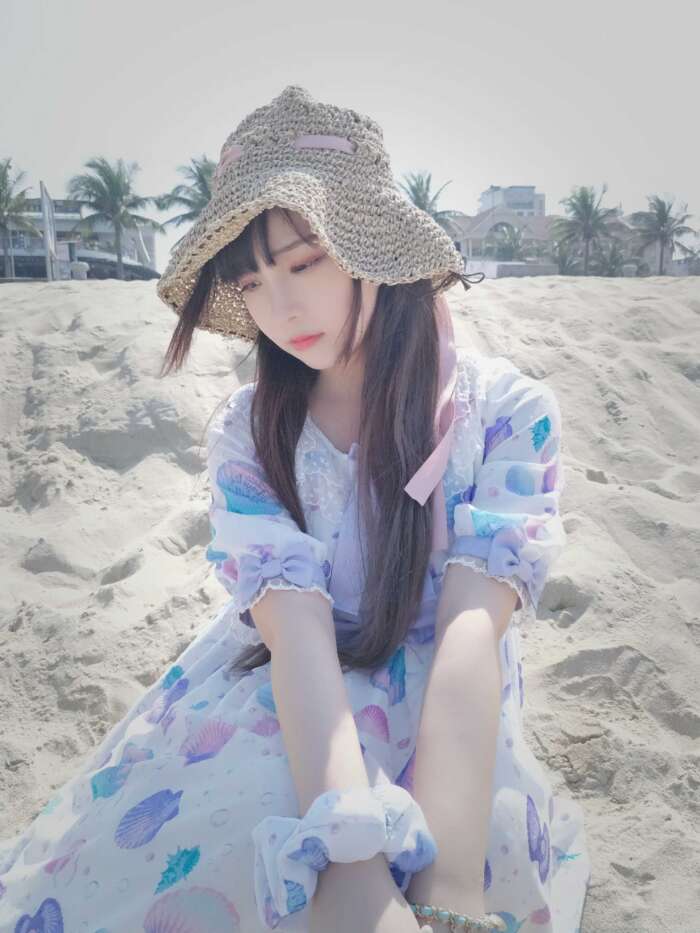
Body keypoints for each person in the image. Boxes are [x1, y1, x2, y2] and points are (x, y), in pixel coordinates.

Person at [0, 86, 591, 932]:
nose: (279, 308)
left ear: (368, 247)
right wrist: (350, 860)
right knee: (234, 817)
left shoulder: (505, 412)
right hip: (295, 677)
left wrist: (450, 887)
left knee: (480, 849)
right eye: (251, 279)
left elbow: (470, 632)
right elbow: (298, 632)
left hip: (453, 699)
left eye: (304, 262)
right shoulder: (251, 430)